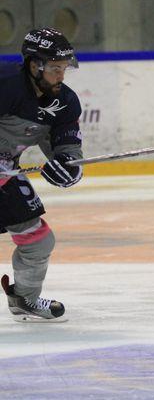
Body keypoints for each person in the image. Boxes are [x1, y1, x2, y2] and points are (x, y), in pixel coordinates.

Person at [0, 28, 83, 323]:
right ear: (35, 65)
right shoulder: (6, 84)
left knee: (38, 241)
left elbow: (69, 149)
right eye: (54, 68)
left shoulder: (65, 102)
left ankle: (25, 299)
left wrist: (67, 169)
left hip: (4, 174)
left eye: (64, 68)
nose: (61, 75)